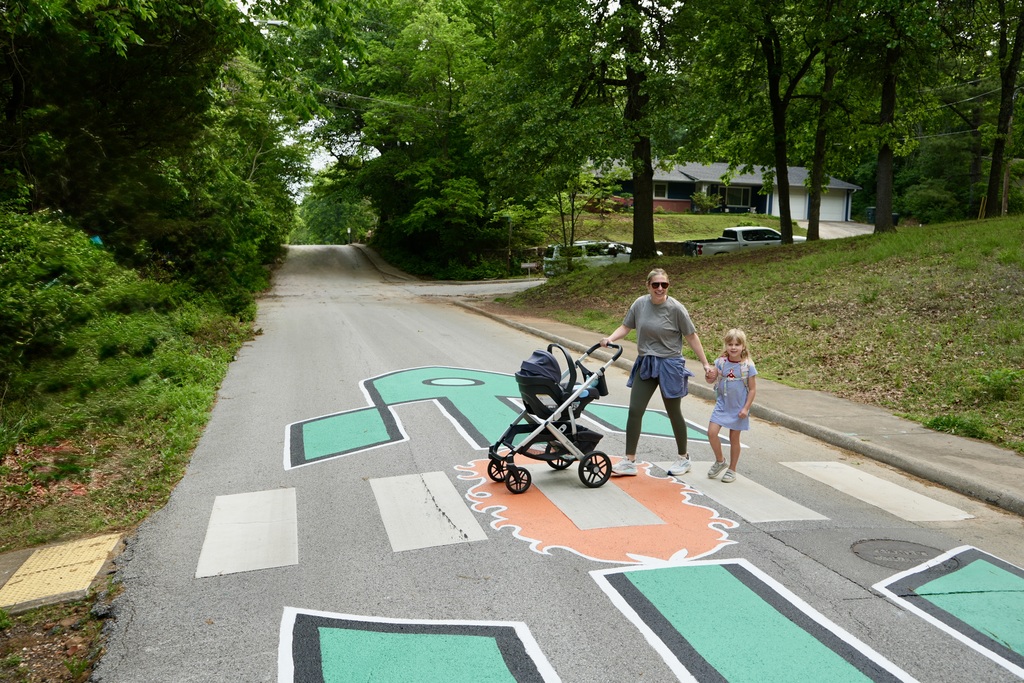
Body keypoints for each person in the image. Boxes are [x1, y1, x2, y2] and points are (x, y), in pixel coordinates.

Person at [600, 268, 715, 477]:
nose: (660, 288)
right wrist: (610, 339)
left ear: (668, 286)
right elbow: (626, 327)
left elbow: (692, 337)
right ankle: (629, 461)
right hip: (646, 362)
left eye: (664, 285)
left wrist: (705, 364)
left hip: (670, 364)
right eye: (656, 285)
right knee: (635, 409)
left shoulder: (676, 309)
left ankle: (683, 458)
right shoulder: (640, 304)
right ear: (648, 286)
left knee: (673, 412)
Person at [707, 328, 758, 483]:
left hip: (738, 407)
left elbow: (753, 389)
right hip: (722, 404)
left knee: (734, 438)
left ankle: (732, 469)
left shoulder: (747, 366)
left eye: (737, 344)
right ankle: (720, 460)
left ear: (743, 346)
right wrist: (709, 375)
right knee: (711, 433)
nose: (733, 347)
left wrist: (746, 408)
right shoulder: (721, 362)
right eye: (730, 344)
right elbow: (711, 379)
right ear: (726, 345)